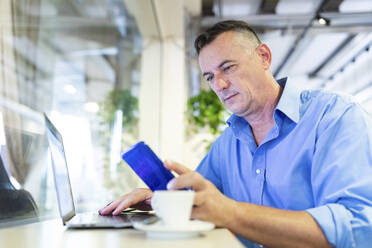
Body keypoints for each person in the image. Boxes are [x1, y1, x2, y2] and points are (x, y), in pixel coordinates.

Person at [99, 20, 372, 247]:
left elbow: (358, 227)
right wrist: (162, 196)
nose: (219, 84)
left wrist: (232, 213)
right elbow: (202, 199)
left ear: (264, 57)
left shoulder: (334, 117)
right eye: (209, 76)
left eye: (228, 67)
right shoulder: (227, 144)